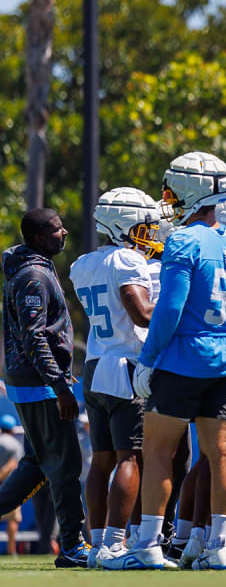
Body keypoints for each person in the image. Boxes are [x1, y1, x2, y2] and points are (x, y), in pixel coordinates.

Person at [103, 152, 226, 570]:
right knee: (222, 453)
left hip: (183, 357)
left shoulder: (183, 240)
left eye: (171, 187)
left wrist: (148, 359)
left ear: (190, 189)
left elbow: (170, 310)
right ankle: (218, 547)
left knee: (159, 451)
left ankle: (147, 544)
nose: (166, 196)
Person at [70, 188, 165, 567]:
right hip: (125, 364)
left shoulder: (83, 263)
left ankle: (96, 543)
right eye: (142, 227)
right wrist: (179, 307)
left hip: (95, 363)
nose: (148, 234)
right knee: (130, 457)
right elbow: (142, 314)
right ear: (121, 224)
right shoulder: (127, 260)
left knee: (102, 459)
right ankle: (113, 542)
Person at [0, 207, 89, 567]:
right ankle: (71, 546)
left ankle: (71, 543)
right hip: (40, 386)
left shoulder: (37, 266)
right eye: (56, 230)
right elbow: (33, 336)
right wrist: (60, 386)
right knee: (65, 466)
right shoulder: (34, 275)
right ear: (38, 238)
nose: (63, 232)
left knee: (39, 464)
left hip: (36, 384)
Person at [0, 415, 25, 556]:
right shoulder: (15, 444)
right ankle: (11, 549)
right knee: (13, 519)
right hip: (9, 485)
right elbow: (14, 464)